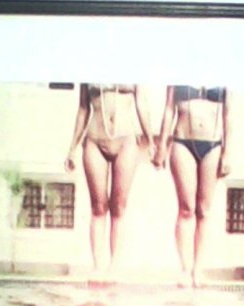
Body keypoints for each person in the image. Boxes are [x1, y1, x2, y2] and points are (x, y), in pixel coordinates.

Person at [65, 83, 153, 280]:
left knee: (119, 207)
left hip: (125, 140)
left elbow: (141, 103)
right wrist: (72, 148)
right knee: (98, 207)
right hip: (95, 140)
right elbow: (83, 108)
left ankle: (115, 266)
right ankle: (97, 267)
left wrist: (150, 139)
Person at [153, 85, 230, 287]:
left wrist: (227, 153)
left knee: (204, 211)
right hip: (183, 142)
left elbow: (228, 115)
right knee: (186, 209)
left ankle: (199, 269)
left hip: (213, 145)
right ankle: (185, 269)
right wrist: (161, 146)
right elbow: (168, 109)